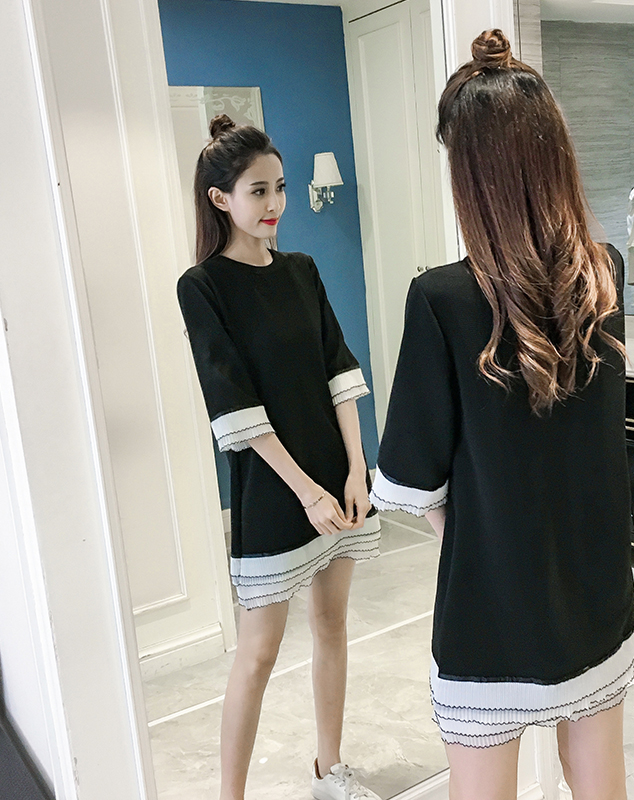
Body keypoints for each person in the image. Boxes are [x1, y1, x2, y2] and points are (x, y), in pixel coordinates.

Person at [369, 30, 634, 800]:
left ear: (471, 171)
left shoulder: (441, 299)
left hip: (489, 610)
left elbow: (413, 480)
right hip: (597, 591)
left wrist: (484, 539)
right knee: (600, 783)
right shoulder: (604, 273)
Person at [177, 114, 382, 800]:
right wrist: (306, 492)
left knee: (332, 626)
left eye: (281, 188)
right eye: (258, 191)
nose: (275, 204)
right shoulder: (202, 286)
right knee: (258, 652)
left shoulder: (302, 270)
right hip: (273, 489)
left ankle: (330, 769)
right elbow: (234, 403)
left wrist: (355, 470)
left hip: (335, 479)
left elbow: (338, 370)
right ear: (220, 199)